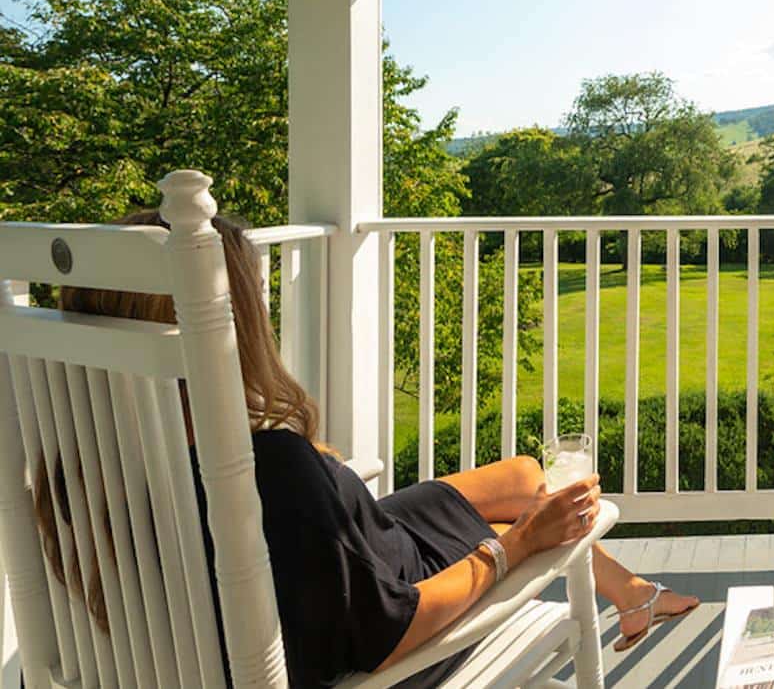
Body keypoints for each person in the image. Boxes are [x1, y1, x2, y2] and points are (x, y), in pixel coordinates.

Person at [34, 210, 697, 687]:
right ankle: (623, 588)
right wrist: (515, 547)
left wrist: (319, 471)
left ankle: (631, 591)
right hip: (393, 614)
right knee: (537, 518)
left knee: (527, 476)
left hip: (335, 562)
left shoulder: (82, 469)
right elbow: (388, 639)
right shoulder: (268, 472)